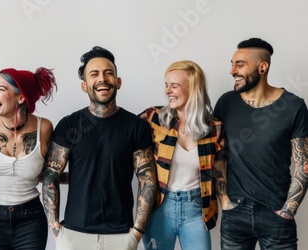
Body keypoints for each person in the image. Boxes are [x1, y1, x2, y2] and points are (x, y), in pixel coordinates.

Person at [42, 46, 156, 250]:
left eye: (108, 73)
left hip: (121, 235)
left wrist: (137, 232)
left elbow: (147, 181)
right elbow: (51, 176)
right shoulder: (70, 125)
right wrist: (56, 229)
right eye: (94, 74)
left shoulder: (136, 126)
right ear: (84, 86)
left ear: (118, 82)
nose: (102, 79)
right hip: (73, 235)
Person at [214, 37, 308, 249]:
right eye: (232, 63)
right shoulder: (225, 103)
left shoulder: (294, 106)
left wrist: (287, 211)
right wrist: (225, 201)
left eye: (239, 64)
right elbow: (218, 156)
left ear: (262, 67)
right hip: (235, 214)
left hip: (276, 215)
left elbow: (303, 164)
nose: (232, 70)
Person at [139, 60, 222, 250]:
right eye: (166, 85)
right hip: (160, 205)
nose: (168, 91)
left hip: (197, 208)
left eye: (174, 86)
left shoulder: (214, 127)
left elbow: (221, 170)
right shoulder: (154, 118)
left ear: (193, 88)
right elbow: (121, 136)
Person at [0, 67, 57, 250]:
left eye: (1, 89)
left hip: (31, 219)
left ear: (21, 97)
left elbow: (52, 170)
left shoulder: (45, 127)